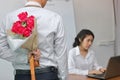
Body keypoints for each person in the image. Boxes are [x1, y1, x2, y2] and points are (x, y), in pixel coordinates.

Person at [0, 0, 68, 80]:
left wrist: (25, 58)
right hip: (48, 75)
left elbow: (1, 49)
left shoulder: (9, 17)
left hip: (21, 76)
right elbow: (61, 53)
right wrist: (63, 77)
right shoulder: (55, 17)